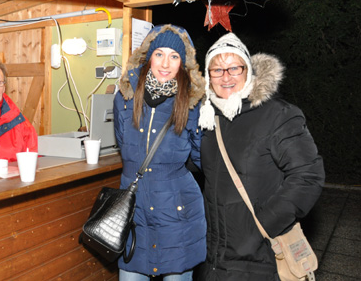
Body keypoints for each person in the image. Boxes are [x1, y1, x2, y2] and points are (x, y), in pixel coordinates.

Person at [197, 33, 325, 280]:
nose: (226, 76)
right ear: (208, 76)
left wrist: (263, 224)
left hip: (258, 259)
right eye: (217, 70)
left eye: (234, 68)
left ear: (248, 70)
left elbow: (308, 175)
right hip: (214, 259)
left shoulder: (278, 115)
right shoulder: (207, 119)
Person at [113, 24, 206, 280]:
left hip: (178, 212)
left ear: (183, 63)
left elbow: (202, 156)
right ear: (148, 57)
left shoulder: (193, 102)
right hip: (134, 210)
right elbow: (125, 144)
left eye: (174, 56)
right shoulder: (125, 97)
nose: (166, 63)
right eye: (159, 54)